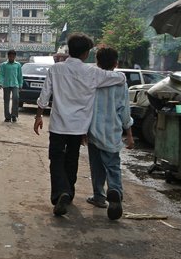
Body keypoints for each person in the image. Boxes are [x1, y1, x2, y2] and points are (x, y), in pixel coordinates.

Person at [33, 32, 126, 217]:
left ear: (70, 50)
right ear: (85, 53)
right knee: (72, 159)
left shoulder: (56, 69)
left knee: (56, 159)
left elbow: (44, 96)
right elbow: (120, 78)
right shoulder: (92, 72)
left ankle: (62, 192)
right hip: (78, 128)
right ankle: (69, 193)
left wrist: (38, 116)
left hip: (58, 125)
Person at [85, 46, 135, 220]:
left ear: (97, 62)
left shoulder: (92, 78)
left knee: (96, 166)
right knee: (113, 166)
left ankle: (99, 196)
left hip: (93, 129)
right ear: (116, 63)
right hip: (112, 131)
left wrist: (83, 130)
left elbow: (86, 105)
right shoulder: (121, 81)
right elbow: (124, 109)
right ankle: (115, 191)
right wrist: (129, 134)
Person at [0, 50, 23, 122]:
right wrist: (0, 83)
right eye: (10, 56)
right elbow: (1, 75)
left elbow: (20, 75)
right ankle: (7, 116)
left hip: (15, 84)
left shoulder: (18, 65)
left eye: (13, 56)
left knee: (15, 99)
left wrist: (20, 84)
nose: (11, 58)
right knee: (6, 100)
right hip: (6, 84)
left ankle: (14, 115)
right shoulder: (4, 65)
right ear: (8, 56)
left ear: (15, 57)